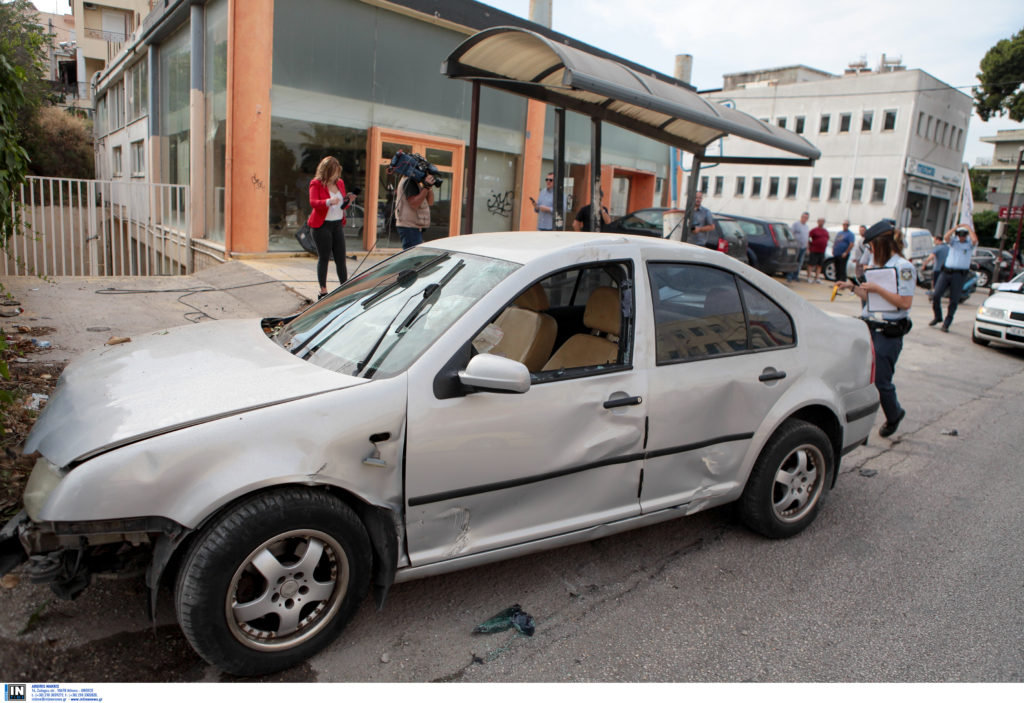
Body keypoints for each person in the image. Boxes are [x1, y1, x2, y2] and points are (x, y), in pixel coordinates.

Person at [837, 218, 916, 438]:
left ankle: (894, 414)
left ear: (881, 244)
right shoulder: (878, 266)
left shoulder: (904, 267)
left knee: (881, 381)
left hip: (888, 332)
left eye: (871, 246)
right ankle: (859, 424)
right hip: (869, 328)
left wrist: (878, 289)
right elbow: (869, 297)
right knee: (860, 377)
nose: (870, 250)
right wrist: (852, 287)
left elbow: (904, 302)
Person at [307, 156, 355, 299]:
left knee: (341, 258)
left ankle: (344, 287)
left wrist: (348, 201)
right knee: (324, 257)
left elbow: (341, 206)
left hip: (337, 223)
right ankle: (323, 290)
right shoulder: (316, 183)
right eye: (333, 172)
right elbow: (313, 202)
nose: (336, 175)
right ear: (327, 171)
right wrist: (328, 201)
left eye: (337, 171)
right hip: (322, 225)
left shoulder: (340, 183)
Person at [930, 223, 978, 332]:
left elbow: (974, 240)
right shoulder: (953, 243)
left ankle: (947, 322)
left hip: (959, 274)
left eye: (963, 234)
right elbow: (946, 237)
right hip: (946, 272)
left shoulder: (969, 244)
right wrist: (955, 228)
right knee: (936, 294)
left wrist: (968, 228)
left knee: (954, 299)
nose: (961, 236)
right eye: (959, 234)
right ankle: (938, 316)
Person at [395, 168, 436, 250]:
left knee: (414, 258)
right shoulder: (409, 182)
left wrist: (429, 187)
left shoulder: (418, 184)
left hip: (414, 226)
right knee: (413, 259)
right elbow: (414, 204)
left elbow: (430, 202)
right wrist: (426, 187)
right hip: (409, 226)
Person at [788, 212, 810, 282]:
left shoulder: (806, 227)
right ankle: (790, 276)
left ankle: (796, 276)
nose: (804, 219)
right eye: (803, 217)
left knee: (800, 262)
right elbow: (791, 234)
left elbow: (807, 237)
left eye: (806, 218)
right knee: (794, 261)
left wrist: (807, 247)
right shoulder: (796, 224)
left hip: (803, 247)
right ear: (801, 217)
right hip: (796, 247)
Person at [807, 217, 830, 283]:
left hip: (822, 251)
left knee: (819, 265)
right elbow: (808, 237)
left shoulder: (825, 231)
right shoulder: (814, 230)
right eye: (820, 221)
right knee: (811, 264)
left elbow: (827, 238)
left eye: (823, 221)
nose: (821, 223)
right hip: (814, 250)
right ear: (818, 222)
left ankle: (817, 277)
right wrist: (809, 246)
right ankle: (809, 277)